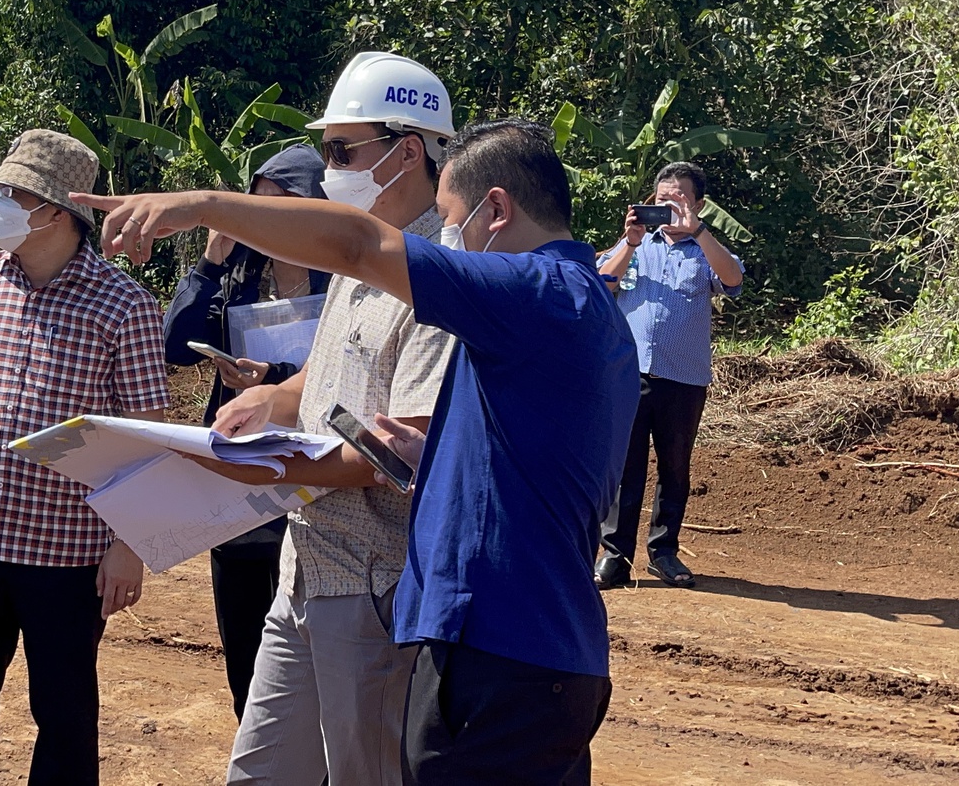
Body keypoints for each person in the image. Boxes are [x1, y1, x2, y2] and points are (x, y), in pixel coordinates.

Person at [74, 118, 643, 786]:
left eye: (453, 223)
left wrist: (197, 205)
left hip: (501, 656)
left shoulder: (537, 293)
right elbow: (528, 469)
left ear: (496, 209)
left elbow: (357, 242)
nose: (449, 242)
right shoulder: (583, 312)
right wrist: (430, 455)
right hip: (537, 655)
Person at [187, 51, 458, 786]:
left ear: (408, 153)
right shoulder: (357, 254)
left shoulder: (441, 273)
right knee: (261, 774)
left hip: (373, 582)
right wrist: (272, 399)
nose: (329, 165)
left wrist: (264, 466)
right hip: (304, 566)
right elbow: (331, 373)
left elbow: (397, 447)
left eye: (342, 151)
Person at [0, 129, 172, 786]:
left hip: (71, 555)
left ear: (57, 209)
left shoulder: (124, 305)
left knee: (65, 719)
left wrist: (127, 543)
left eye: (9, 193)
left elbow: (146, 433)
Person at [160, 143, 331, 716]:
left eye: (276, 210)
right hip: (240, 473)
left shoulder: (345, 276)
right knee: (245, 636)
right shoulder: (240, 270)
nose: (262, 223)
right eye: (252, 210)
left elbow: (341, 372)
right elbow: (173, 345)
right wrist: (210, 261)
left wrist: (275, 379)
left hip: (318, 469)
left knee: (312, 636)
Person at [593, 160, 745, 589]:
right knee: (626, 467)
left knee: (675, 469)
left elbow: (733, 279)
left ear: (697, 204)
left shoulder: (705, 249)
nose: (669, 208)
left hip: (684, 378)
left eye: (679, 199)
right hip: (629, 374)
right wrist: (630, 240)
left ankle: (663, 552)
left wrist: (698, 231)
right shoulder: (635, 246)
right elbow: (600, 282)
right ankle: (615, 557)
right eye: (661, 200)